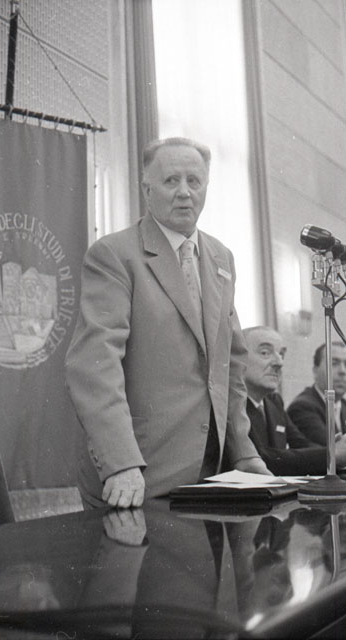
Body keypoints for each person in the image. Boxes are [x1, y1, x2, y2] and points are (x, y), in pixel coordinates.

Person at [65, 137, 270, 510]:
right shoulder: (114, 255)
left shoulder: (221, 258)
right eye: (171, 180)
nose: (185, 192)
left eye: (194, 181)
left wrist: (244, 451)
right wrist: (120, 462)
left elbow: (232, 365)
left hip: (212, 472)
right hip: (138, 475)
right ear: (148, 190)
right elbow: (94, 366)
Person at [241, 327, 346, 476]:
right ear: (237, 359)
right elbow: (259, 458)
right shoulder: (231, 405)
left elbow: (302, 444)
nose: (279, 362)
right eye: (265, 353)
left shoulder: (273, 402)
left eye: (281, 354)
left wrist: (336, 451)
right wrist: (332, 453)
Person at [287, 341, 346, 463]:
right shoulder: (302, 407)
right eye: (334, 363)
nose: (342, 371)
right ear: (315, 371)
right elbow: (334, 450)